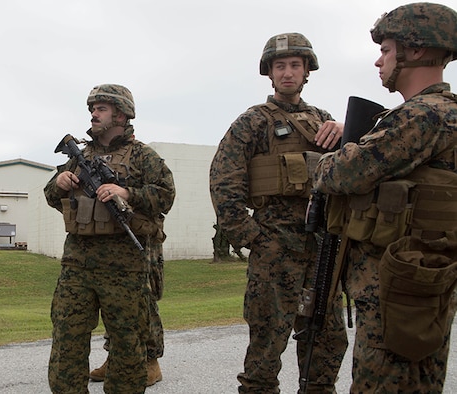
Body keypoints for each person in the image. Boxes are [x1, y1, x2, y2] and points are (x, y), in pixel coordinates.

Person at [314, 3, 457, 392]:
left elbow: (342, 173)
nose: (379, 62)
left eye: (386, 51)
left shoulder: (422, 116)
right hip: (418, 281)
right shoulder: (439, 114)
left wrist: (329, 157)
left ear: (414, 51)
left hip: (392, 289)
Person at [209, 33, 348, 393]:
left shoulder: (325, 122)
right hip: (275, 247)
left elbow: (355, 171)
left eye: (295, 66)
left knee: (327, 339)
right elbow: (224, 179)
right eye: (280, 66)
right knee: (266, 344)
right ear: (269, 73)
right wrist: (251, 236)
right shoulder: (253, 122)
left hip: (322, 246)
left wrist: (348, 134)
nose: (288, 73)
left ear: (306, 72)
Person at [44, 84, 175, 393]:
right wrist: (60, 182)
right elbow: (51, 196)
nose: (93, 113)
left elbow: (166, 195)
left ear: (120, 114)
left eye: (101, 108)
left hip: (124, 266)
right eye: (93, 108)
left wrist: (126, 192)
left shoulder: (143, 156)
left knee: (128, 342)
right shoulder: (80, 155)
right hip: (77, 263)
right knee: (67, 339)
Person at [89, 233, 166, 387]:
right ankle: (115, 359)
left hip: (144, 237)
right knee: (114, 299)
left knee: (144, 299)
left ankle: (151, 361)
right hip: (114, 239)